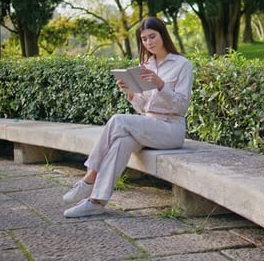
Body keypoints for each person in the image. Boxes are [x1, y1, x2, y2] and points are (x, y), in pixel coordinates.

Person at [62, 16, 194, 218]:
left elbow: (181, 106)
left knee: (118, 119)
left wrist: (161, 85)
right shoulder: (145, 64)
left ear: (163, 35)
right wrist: (131, 94)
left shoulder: (182, 64)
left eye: (152, 37)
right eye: (144, 39)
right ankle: (96, 201)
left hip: (170, 129)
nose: (149, 43)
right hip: (149, 123)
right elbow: (143, 109)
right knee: (121, 143)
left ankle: (89, 178)